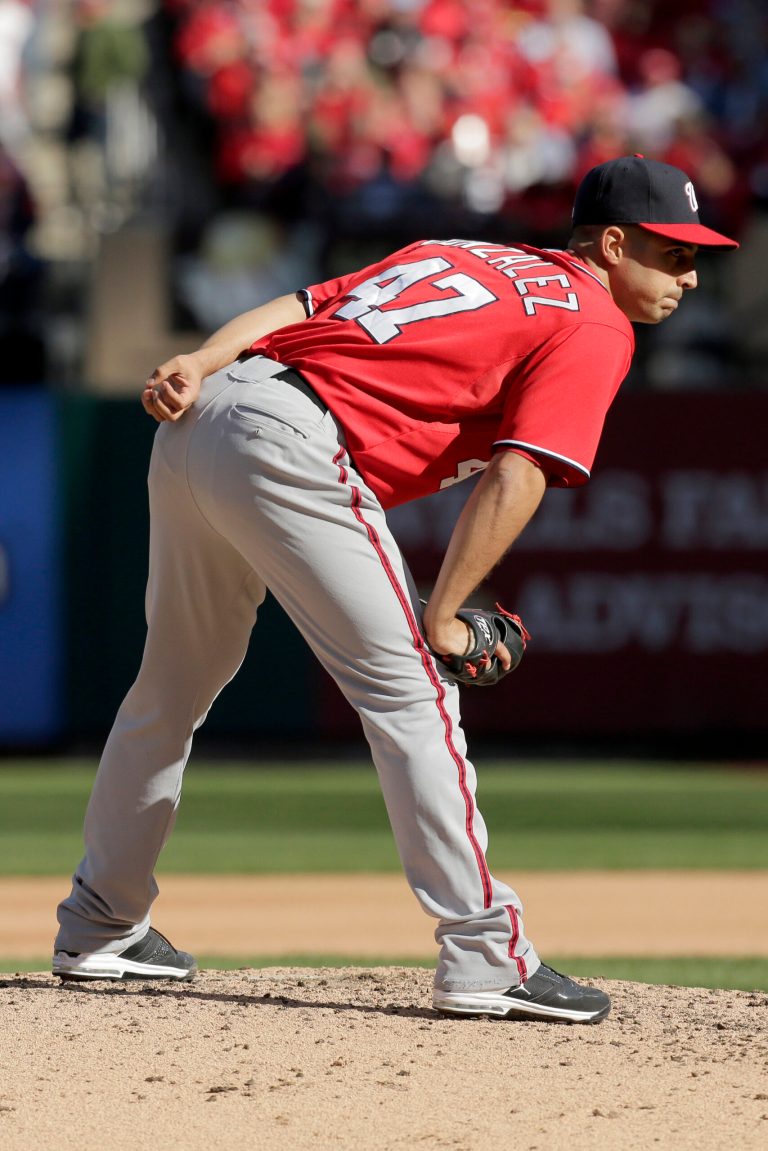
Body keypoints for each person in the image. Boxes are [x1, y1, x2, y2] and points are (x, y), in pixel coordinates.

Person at [53, 155, 737, 1023]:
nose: (689, 273)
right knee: (415, 691)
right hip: (292, 439)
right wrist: (443, 617)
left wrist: (200, 356)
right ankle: (487, 954)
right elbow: (520, 472)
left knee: (170, 687)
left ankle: (101, 923)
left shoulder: (460, 251)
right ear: (610, 245)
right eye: (673, 252)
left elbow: (300, 306)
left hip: (206, 413)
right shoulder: (595, 319)